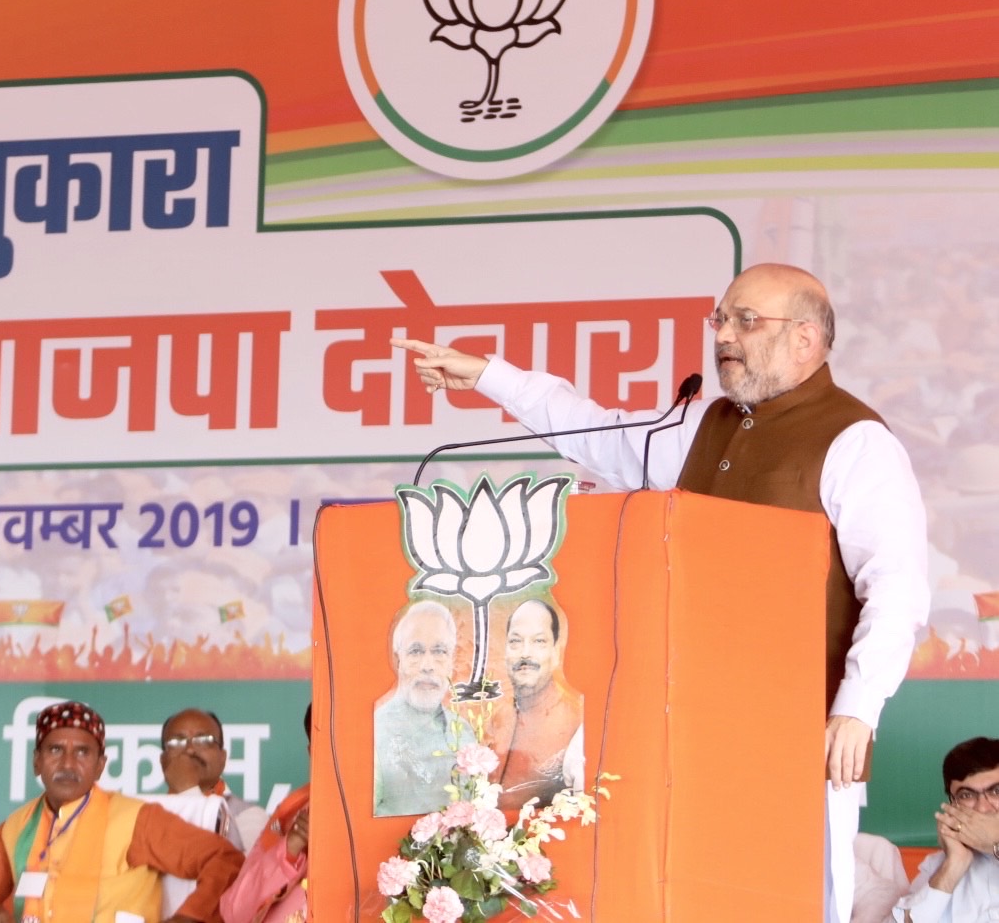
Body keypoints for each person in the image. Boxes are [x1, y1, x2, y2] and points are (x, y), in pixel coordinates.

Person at [395, 262, 930, 923]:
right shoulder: (700, 426)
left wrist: (858, 703)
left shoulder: (857, 441)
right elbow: (593, 432)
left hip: (800, 735)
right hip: (688, 730)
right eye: (720, 319)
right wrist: (490, 378)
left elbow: (898, 584)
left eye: (746, 320)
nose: (724, 335)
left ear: (806, 338)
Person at [0, 700, 244, 923]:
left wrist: (190, 918)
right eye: (55, 750)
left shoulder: (134, 819)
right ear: (37, 761)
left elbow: (224, 861)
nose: (68, 764)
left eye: (83, 752)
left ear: (100, 765)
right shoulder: (16, 827)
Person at [373, 599, 475, 816]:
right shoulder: (375, 731)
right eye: (416, 651)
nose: (428, 665)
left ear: (452, 660)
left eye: (439, 651)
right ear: (398, 658)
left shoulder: (464, 732)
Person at [487, 598, 584, 811]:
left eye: (539, 641)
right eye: (515, 641)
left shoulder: (577, 721)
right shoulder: (498, 717)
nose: (525, 653)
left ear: (556, 652)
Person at [220, 705, 312, 923]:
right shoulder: (294, 815)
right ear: (312, 751)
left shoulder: (395, 809)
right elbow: (234, 911)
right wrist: (290, 850)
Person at [894, 737, 999, 922]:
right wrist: (954, 865)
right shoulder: (940, 865)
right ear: (952, 804)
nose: (983, 808)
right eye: (966, 795)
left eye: (996, 791)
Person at [160, 708, 270, 851]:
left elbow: (238, 870)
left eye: (204, 740)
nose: (190, 750)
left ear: (222, 758)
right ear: (162, 760)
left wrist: (188, 791)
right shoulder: (143, 814)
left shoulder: (249, 815)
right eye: (176, 742)